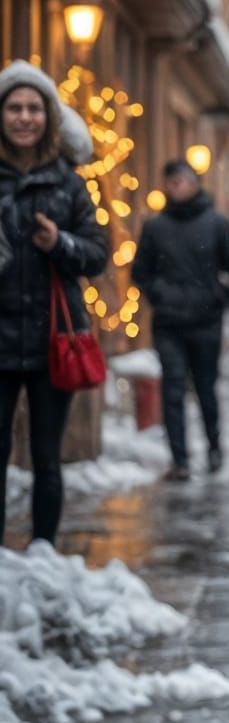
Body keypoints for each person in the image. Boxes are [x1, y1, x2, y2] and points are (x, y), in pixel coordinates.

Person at [0, 63, 108, 546]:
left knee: (47, 457)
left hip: (52, 342)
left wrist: (58, 241)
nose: (24, 117)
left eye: (34, 108)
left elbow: (98, 253)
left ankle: (43, 551)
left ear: (48, 116)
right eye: (14, 107)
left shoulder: (69, 183)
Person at [132, 158, 229, 479]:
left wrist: (219, 298)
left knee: (206, 389)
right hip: (169, 323)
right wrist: (161, 293)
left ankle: (213, 447)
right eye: (170, 182)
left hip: (205, 321)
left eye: (180, 181)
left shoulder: (216, 224)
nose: (175, 187)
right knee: (172, 391)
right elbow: (140, 272)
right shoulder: (155, 227)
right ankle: (179, 459)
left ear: (194, 183)